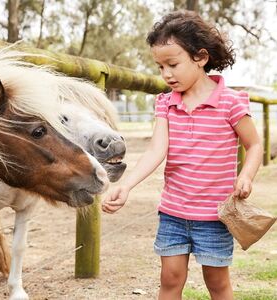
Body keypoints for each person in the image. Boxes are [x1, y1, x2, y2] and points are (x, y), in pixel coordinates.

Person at [102, 10, 263, 300]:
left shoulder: (230, 102)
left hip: (215, 216)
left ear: (200, 58)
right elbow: (156, 150)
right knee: (170, 280)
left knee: (217, 283)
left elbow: (254, 145)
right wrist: (125, 185)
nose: (166, 74)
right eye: (160, 67)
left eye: (172, 64)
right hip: (173, 214)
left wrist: (246, 176)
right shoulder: (166, 104)